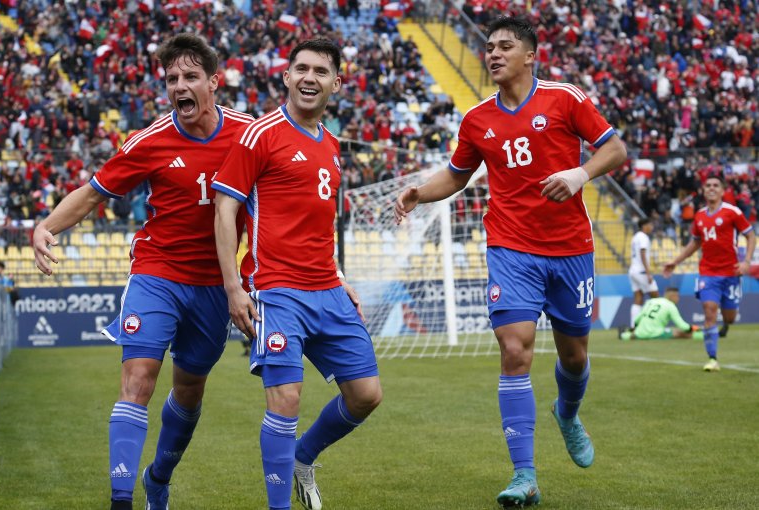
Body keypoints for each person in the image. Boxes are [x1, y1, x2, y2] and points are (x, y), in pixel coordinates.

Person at [393, 16, 627, 508]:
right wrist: (420, 193)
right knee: (514, 348)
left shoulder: (565, 98)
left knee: (575, 356)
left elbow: (615, 148)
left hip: (570, 250)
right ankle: (525, 475)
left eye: (504, 46)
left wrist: (579, 174)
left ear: (530, 56)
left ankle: (567, 413)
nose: (493, 54)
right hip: (510, 247)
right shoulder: (477, 118)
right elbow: (457, 176)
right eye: (489, 47)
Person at [32, 34, 254, 510]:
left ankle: (159, 476)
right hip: (157, 273)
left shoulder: (248, 135)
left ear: (214, 83)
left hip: (216, 285)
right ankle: (120, 500)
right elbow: (92, 194)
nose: (180, 86)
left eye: (190, 76)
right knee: (138, 377)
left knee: (189, 390)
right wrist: (46, 226)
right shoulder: (149, 141)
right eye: (172, 78)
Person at [213, 37, 383, 510]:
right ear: (286, 77)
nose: (310, 78)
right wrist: (233, 287)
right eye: (301, 69)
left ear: (336, 83)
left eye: (321, 71)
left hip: (327, 287)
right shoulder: (260, 135)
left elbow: (319, 222)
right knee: (285, 398)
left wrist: (339, 272)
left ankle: (303, 458)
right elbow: (225, 211)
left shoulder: (330, 145)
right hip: (277, 290)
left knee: (367, 394)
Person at [663, 175, 755, 372]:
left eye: (715, 185)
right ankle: (712, 358)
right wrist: (675, 261)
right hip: (708, 272)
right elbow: (696, 242)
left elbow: (750, 234)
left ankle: (727, 325)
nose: (711, 188)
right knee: (709, 309)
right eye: (708, 185)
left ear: (722, 191)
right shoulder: (699, 216)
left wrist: (746, 261)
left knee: (729, 316)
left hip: (731, 272)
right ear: (704, 191)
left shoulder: (733, 212)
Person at [618, 287, 703, 340]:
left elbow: (637, 320)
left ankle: (624, 335)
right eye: (677, 296)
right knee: (680, 333)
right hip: (656, 333)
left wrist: (634, 329)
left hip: (639, 333)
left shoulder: (651, 301)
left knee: (633, 334)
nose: (678, 299)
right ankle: (705, 335)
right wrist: (693, 328)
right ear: (673, 296)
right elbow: (682, 326)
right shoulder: (670, 305)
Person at [628, 218, 659, 327]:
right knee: (656, 296)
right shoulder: (644, 237)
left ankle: (633, 326)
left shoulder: (635, 237)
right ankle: (654, 323)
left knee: (638, 298)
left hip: (633, 270)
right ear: (644, 226)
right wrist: (648, 272)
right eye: (650, 225)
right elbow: (642, 253)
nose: (652, 227)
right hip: (641, 271)